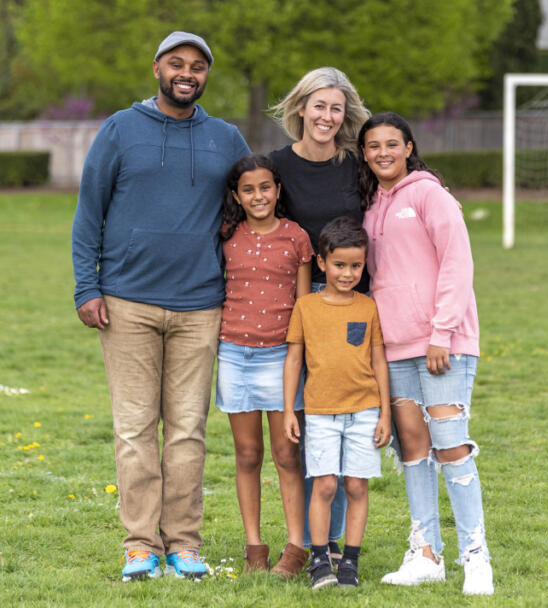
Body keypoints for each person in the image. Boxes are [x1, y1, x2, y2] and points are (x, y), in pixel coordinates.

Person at [71, 31, 250, 582]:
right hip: (126, 304)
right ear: (157, 69)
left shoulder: (227, 139)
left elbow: (254, 205)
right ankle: (140, 545)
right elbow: (89, 211)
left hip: (201, 306)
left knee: (189, 430)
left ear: (205, 76)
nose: (187, 73)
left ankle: (184, 545)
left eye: (197, 66)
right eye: (177, 63)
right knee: (133, 430)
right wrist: (87, 286)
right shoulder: (120, 130)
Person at [358, 112, 494, 595]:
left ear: (409, 146)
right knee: (412, 449)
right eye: (372, 146)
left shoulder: (429, 194)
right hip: (393, 350)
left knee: (451, 446)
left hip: (442, 344)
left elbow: (459, 262)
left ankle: (476, 556)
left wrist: (442, 332)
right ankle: (426, 554)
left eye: (391, 144)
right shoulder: (370, 205)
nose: (382, 153)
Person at [269, 66, 371, 562]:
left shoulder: (356, 167)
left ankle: (326, 545)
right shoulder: (277, 167)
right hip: (297, 310)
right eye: (319, 106)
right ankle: (309, 542)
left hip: (350, 309)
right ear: (301, 108)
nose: (327, 116)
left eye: (336, 108)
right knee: (306, 428)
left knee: (341, 421)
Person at [216, 154, 313, 577]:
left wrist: (298, 355)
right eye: (249, 189)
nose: (259, 196)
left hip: (280, 357)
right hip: (234, 354)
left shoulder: (296, 238)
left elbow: (305, 308)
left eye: (266, 187)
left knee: (287, 454)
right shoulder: (226, 236)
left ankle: (296, 546)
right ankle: (254, 546)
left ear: (277, 190)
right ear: (237, 195)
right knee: (248, 453)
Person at [283, 216, 391, 589]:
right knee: (326, 485)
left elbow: (378, 361)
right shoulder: (306, 308)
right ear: (323, 263)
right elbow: (294, 361)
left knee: (357, 486)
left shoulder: (368, 307)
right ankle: (319, 562)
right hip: (320, 412)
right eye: (340, 265)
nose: (348, 273)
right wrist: (288, 411)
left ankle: (350, 563)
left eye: (356, 266)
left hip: (364, 411)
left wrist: (385, 416)